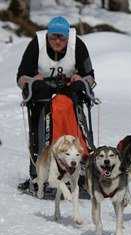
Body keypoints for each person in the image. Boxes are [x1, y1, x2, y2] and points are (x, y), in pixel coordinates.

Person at [16, 16, 95, 196]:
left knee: (69, 105)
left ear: (68, 37)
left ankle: (81, 165)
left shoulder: (78, 45)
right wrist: (32, 82)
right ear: (47, 36)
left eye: (61, 37)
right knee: (44, 110)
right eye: (53, 37)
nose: (57, 41)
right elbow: (21, 76)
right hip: (43, 95)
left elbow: (90, 76)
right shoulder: (36, 44)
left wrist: (81, 80)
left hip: (69, 93)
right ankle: (40, 170)